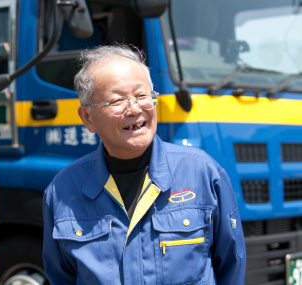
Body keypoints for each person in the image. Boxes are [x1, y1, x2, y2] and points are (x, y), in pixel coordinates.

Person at [43, 45, 246, 284]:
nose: (135, 108)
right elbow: (61, 276)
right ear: (88, 117)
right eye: (117, 100)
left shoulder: (202, 173)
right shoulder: (62, 192)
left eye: (142, 95)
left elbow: (231, 266)